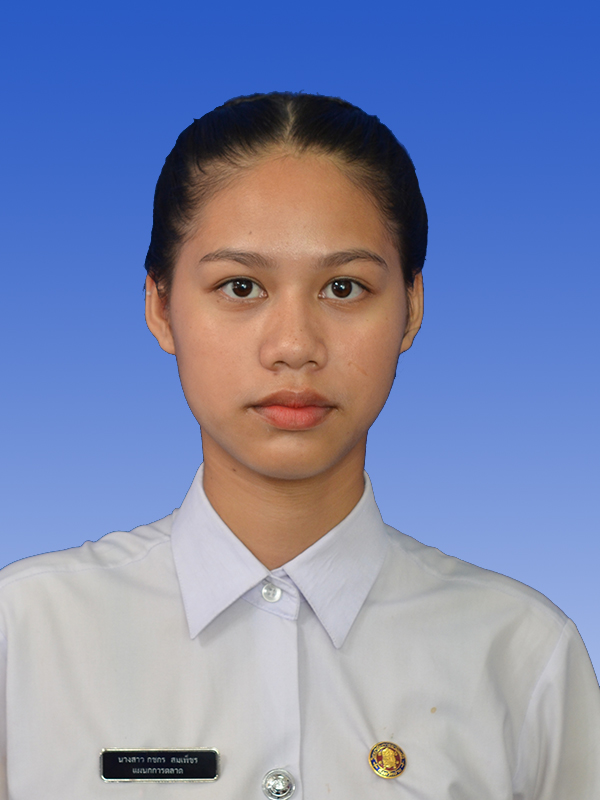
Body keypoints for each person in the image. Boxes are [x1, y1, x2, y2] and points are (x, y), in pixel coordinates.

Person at [0, 92, 598, 799]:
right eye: (241, 286)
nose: (294, 346)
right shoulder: (24, 637)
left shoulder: (523, 656)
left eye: (343, 287)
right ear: (160, 306)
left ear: (411, 309)